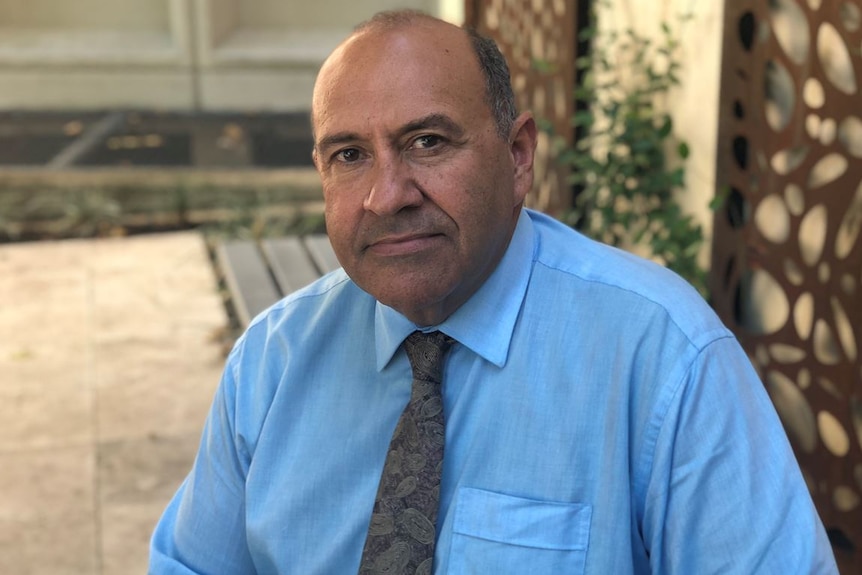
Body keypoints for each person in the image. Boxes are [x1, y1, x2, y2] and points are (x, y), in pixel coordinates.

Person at [150, 9, 838, 574]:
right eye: (349, 155)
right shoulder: (273, 361)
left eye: (426, 142)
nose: (386, 197)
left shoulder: (666, 360)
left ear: (518, 157)